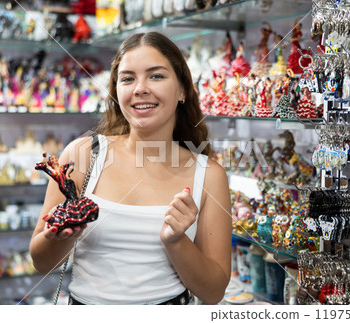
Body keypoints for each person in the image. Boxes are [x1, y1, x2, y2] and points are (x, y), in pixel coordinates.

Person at [29, 31, 232, 305]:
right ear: (116, 91)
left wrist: (176, 241)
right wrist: (60, 235)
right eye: (127, 78)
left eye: (156, 76)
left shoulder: (208, 175)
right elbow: (41, 263)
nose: (140, 88)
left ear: (183, 89)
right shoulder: (82, 155)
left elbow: (213, 292)